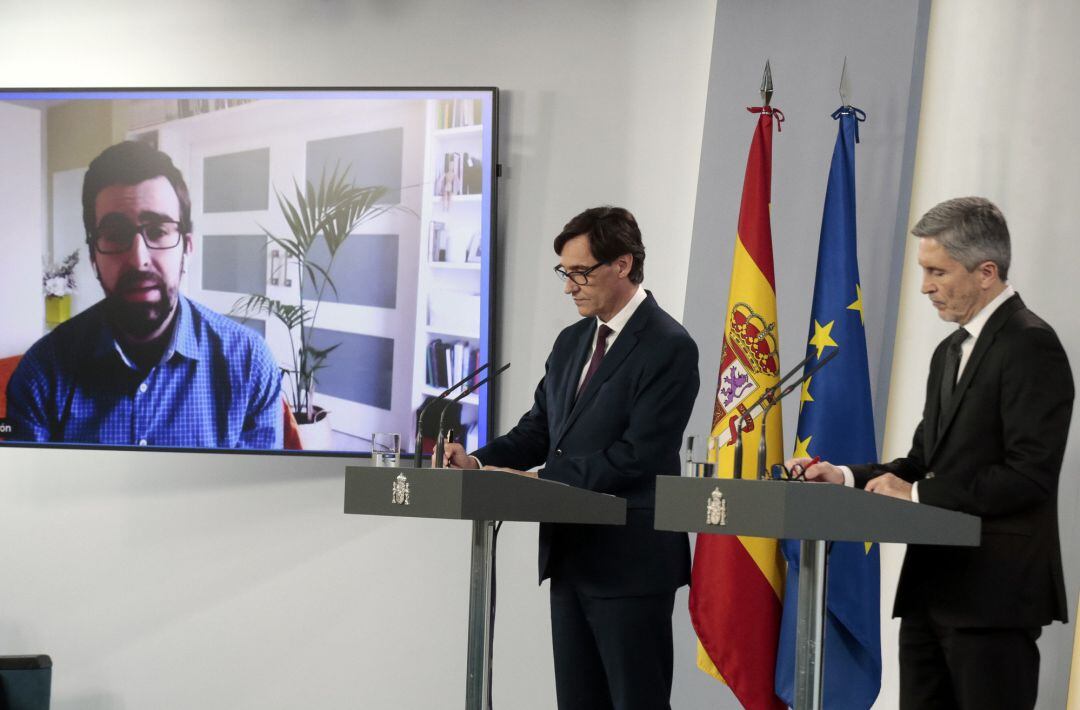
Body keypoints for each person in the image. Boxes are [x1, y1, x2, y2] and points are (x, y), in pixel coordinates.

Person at [788, 197, 1074, 710]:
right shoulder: (950, 352)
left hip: (993, 599)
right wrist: (845, 477)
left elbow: (1030, 475)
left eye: (937, 271)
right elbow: (922, 460)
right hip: (930, 594)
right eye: (925, 271)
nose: (925, 287)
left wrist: (918, 494)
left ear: (986, 272)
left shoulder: (1031, 344)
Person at [444, 206, 698, 710]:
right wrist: (475, 462)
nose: (570, 287)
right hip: (572, 554)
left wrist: (539, 480)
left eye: (581, 272)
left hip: (630, 562)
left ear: (623, 265)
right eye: (566, 272)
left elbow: (636, 456)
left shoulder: (668, 345)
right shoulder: (572, 340)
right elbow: (539, 428)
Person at [6, 140, 282, 449]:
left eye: (158, 231)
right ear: (93, 257)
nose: (139, 259)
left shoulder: (250, 365)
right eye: (115, 235)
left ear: (187, 248)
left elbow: (256, 495)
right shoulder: (41, 373)